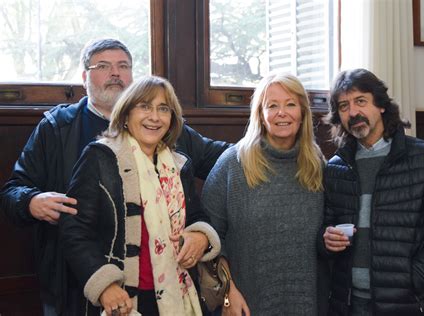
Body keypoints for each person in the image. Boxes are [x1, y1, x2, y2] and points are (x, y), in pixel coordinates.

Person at [0, 38, 228, 315]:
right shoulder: (59, 129)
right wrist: (30, 201)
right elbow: (15, 192)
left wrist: (267, 140)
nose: (115, 73)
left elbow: (219, 164)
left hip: (171, 286)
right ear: (85, 77)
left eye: (123, 66)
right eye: (104, 66)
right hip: (79, 282)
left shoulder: (167, 134)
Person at [59, 75, 220, 315]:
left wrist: (201, 236)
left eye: (163, 109)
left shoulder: (179, 165)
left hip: (178, 294)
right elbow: (74, 231)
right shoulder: (99, 158)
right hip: (124, 298)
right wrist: (105, 285)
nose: (154, 117)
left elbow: (196, 215)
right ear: (126, 115)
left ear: (171, 119)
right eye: (144, 106)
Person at [320, 68, 424, 315]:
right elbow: (323, 228)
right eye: (344, 106)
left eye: (360, 101)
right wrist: (325, 239)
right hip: (346, 305)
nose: (353, 112)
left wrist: (415, 277)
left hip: (406, 303)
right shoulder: (335, 167)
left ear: (381, 105)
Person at [201, 73, 326, 315]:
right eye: (272, 105)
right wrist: (227, 293)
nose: (282, 113)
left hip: (307, 304)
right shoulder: (233, 164)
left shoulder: (317, 165)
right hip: (245, 304)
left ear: (303, 113)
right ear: (260, 113)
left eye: (290, 104)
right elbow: (209, 239)